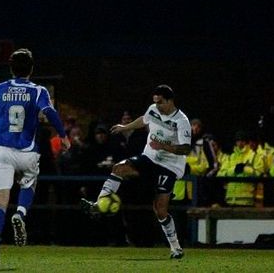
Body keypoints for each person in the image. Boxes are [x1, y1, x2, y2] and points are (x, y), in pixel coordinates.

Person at [0, 48, 69, 269]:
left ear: (11, 68)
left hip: (2, 150)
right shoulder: (38, 91)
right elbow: (50, 113)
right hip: (27, 151)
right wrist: (64, 136)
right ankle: (20, 213)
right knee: (29, 182)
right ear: (31, 69)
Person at [80, 84, 191, 260]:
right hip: (149, 158)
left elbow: (185, 149)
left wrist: (163, 146)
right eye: (155, 102)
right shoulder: (154, 109)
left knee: (160, 209)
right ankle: (98, 204)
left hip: (169, 166)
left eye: (160, 102)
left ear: (170, 101)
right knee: (119, 168)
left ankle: (176, 248)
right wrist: (125, 127)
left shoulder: (181, 121)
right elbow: (144, 119)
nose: (157, 105)